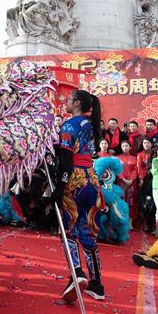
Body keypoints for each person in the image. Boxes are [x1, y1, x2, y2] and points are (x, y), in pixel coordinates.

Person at [51, 89, 105, 301]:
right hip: (92, 179)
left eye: (69, 99)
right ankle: (97, 284)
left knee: (69, 229)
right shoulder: (91, 124)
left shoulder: (69, 124)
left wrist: (60, 185)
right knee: (88, 230)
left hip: (74, 180)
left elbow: (65, 158)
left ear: (77, 104)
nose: (66, 100)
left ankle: (76, 274)